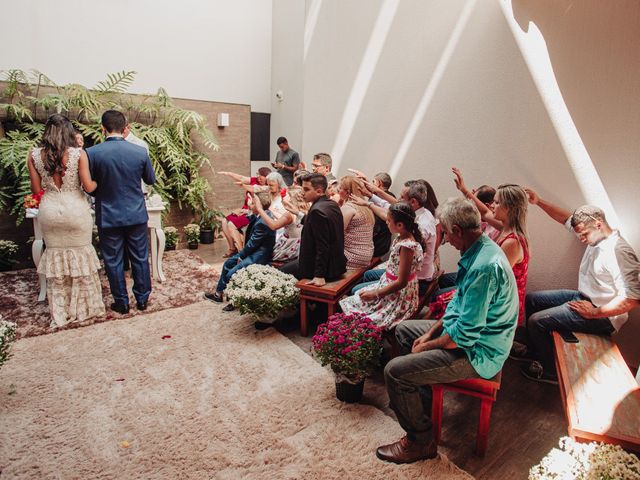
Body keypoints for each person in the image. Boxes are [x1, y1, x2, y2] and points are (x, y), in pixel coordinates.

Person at [375, 197, 518, 464]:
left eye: (447, 234)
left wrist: (427, 346)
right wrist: (428, 336)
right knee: (405, 330)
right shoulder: (479, 249)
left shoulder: (483, 267)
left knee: (394, 371)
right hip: (470, 335)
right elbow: (458, 305)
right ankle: (421, 399)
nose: (446, 240)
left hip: (480, 352)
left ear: (459, 231)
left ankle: (421, 441)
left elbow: (463, 337)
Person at [513, 191, 640, 384]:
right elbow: (565, 218)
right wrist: (538, 201)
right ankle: (535, 350)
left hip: (604, 316)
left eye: (584, 234)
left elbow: (633, 298)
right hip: (584, 297)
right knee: (532, 299)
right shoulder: (594, 233)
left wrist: (595, 313)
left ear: (599, 224)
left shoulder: (619, 252)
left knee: (536, 321)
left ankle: (550, 372)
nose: (580, 239)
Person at [26, 114, 105, 327]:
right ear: (68, 132)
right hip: (75, 210)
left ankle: (60, 310)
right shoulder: (78, 155)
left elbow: (36, 190)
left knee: (55, 257)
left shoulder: (33, 155)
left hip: (50, 210)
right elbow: (89, 187)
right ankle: (84, 308)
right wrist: (100, 181)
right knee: (81, 255)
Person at [437, 170, 530, 326]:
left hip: (500, 306)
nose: (492, 206)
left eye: (497, 202)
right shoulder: (504, 227)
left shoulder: (512, 242)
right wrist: (464, 190)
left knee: (441, 302)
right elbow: (485, 211)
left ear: (509, 208)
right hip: (490, 294)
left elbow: (492, 282)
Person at [87, 110, 156, 314]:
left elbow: (88, 185)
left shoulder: (92, 153)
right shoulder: (139, 152)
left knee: (113, 260)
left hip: (108, 215)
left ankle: (122, 302)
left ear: (103, 127)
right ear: (124, 126)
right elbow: (150, 180)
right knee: (140, 257)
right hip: (136, 213)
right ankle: (142, 299)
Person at [340, 203, 424, 330]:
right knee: (358, 293)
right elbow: (385, 215)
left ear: (400, 225)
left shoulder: (407, 247)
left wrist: (375, 294)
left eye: (389, 221)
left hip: (398, 295)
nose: (386, 222)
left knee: (356, 306)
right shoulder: (403, 235)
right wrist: (368, 204)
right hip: (389, 283)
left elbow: (401, 282)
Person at [352, 181, 438, 296]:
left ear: (413, 202)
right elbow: (390, 208)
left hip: (416, 280)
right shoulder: (418, 213)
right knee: (367, 275)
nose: (398, 199)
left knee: (356, 291)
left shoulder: (416, 232)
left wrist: (375, 293)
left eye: (402, 197)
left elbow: (402, 281)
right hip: (403, 274)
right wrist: (370, 198)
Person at [204, 192, 276, 310]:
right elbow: (249, 218)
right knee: (228, 263)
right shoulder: (260, 215)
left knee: (232, 273)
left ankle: (235, 301)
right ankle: (218, 294)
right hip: (252, 251)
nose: (250, 205)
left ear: (259, 205)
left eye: (252, 203)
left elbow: (252, 244)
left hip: (258, 255)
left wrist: (241, 256)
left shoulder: (264, 222)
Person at [280, 173, 346, 285]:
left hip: (322, 270)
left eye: (306, 189)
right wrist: (297, 212)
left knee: (278, 273)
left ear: (319, 191)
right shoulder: (330, 204)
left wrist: (319, 275)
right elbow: (316, 225)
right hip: (335, 265)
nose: (302, 193)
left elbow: (323, 246)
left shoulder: (317, 211)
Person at [218, 167, 271, 257]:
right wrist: (228, 173)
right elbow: (241, 178)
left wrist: (246, 210)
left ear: (267, 177)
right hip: (245, 210)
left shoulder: (266, 188)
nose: (258, 178)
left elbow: (255, 195)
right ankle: (232, 249)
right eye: (257, 175)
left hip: (252, 213)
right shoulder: (255, 180)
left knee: (231, 224)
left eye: (261, 176)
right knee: (224, 221)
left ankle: (241, 252)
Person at [337, 176, 374, 269]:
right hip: (367, 254)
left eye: (340, 188)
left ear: (347, 192)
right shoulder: (365, 206)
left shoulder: (348, 207)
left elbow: (337, 233)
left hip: (352, 256)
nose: (338, 190)